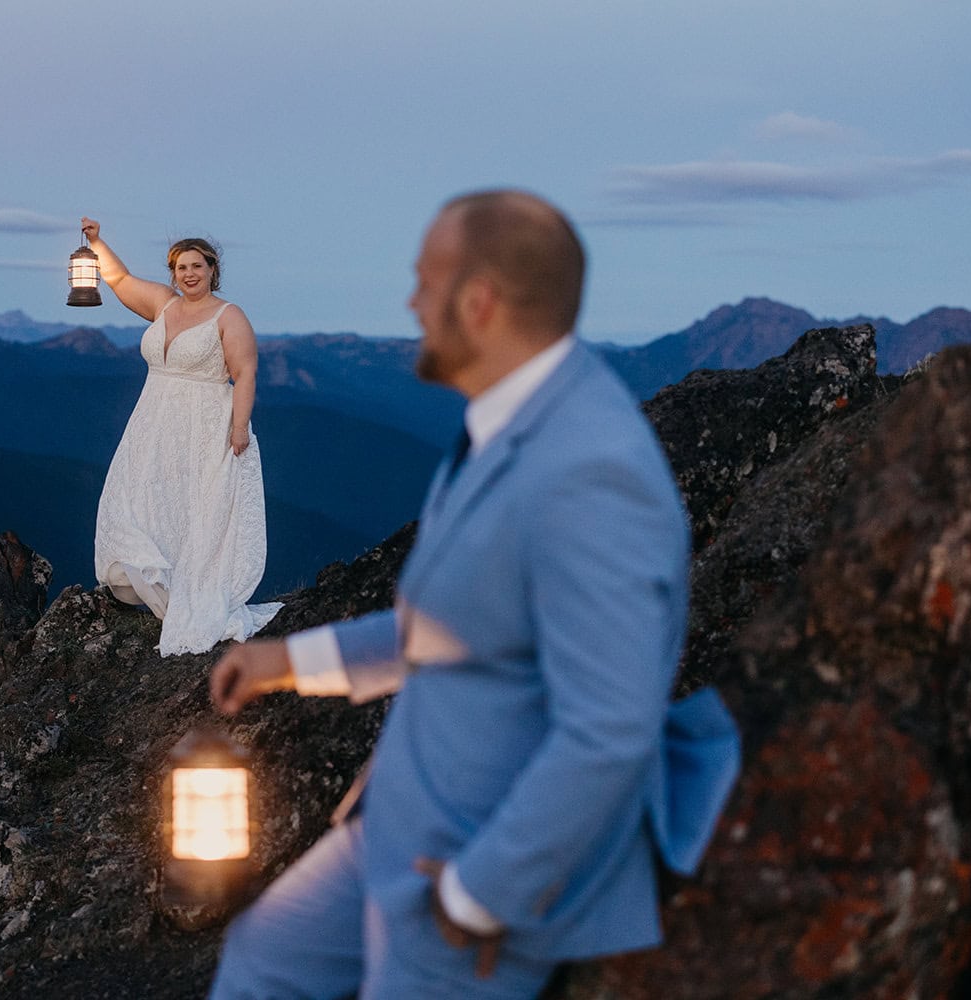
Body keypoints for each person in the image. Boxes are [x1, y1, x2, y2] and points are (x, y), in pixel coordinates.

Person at [206, 191, 740, 998]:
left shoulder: (594, 472)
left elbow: (609, 728)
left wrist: (477, 895)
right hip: (397, 824)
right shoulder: (508, 423)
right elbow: (460, 624)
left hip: (469, 860)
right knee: (263, 963)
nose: (410, 302)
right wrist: (288, 661)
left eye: (424, 282)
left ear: (479, 302)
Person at [83, 218, 283, 657]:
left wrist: (239, 429)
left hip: (204, 424)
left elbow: (245, 371)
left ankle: (193, 593)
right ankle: (159, 581)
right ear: (173, 273)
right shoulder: (164, 304)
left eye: (197, 265)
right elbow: (118, 278)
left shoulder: (229, 315)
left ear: (212, 269)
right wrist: (97, 243)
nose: (188, 274)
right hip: (152, 422)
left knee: (193, 507)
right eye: (180, 267)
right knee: (137, 499)